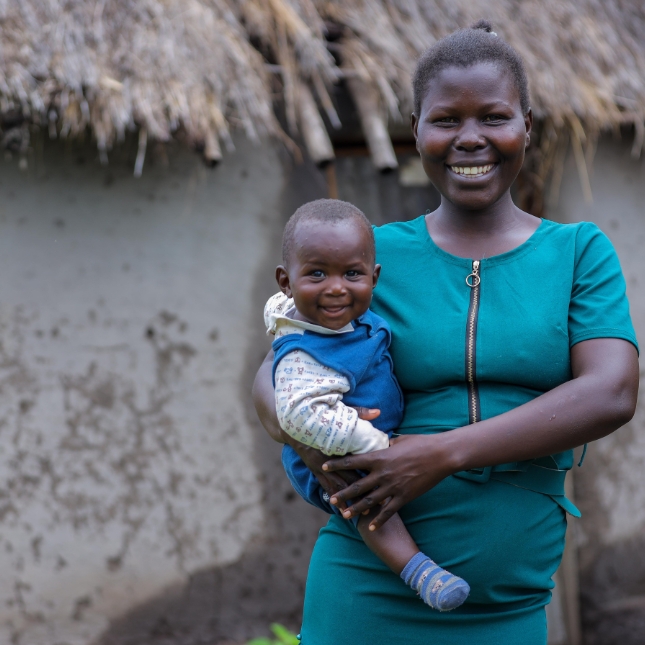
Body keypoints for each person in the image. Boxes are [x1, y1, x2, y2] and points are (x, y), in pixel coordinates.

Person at [253, 20, 639, 645]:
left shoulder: (577, 253)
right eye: (445, 120)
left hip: (507, 601)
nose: (470, 139)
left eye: (493, 117)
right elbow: (276, 372)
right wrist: (306, 433)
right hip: (367, 588)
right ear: (417, 132)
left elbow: (611, 393)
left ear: (526, 126)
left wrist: (441, 453)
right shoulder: (370, 256)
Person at [266, 198, 470, 611]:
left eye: (352, 274)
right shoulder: (304, 353)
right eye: (317, 274)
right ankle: (417, 570)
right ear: (286, 282)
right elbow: (299, 415)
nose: (336, 287)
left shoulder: (346, 320)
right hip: (336, 450)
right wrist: (376, 446)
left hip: (362, 433)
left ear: (375, 278)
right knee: (365, 499)